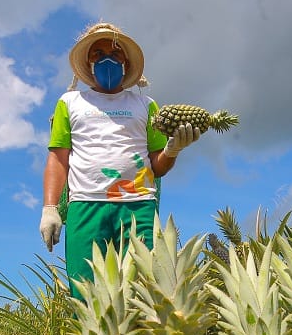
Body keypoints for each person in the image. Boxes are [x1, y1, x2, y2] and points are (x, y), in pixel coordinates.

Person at [39, 22, 199, 298]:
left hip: (138, 207)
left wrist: (172, 150)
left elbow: (157, 166)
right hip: (86, 206)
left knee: (143, 291)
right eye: (97, 54)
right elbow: (58, 159)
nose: (106, 59)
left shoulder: (145, 105)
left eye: (114, 52)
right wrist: (50, 208)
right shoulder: (70, 102)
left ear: (125, 60)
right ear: (88, 63)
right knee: (86, 293)